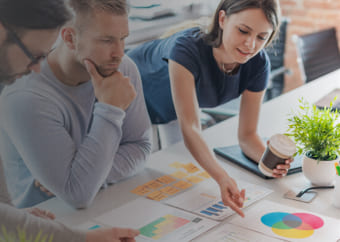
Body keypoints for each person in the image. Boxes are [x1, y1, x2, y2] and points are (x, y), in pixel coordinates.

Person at [127, 0, 293, 217]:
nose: (250, 45)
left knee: (176, 177)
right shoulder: (186, 49)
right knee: (126, 176)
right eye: (243, 31)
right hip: (130, 94)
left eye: (262, 37)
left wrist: (267, 162)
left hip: (174, 109)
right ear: (222, 19)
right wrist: (222, 177)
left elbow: (247, 136)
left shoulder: (258, 64)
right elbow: (191, 129)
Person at [0, 0, 140, 241]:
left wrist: (14, 217)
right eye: (33, 56)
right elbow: (78, 192)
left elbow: (141, 146)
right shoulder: (21, 96)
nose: (35, 69)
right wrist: (111, 109)